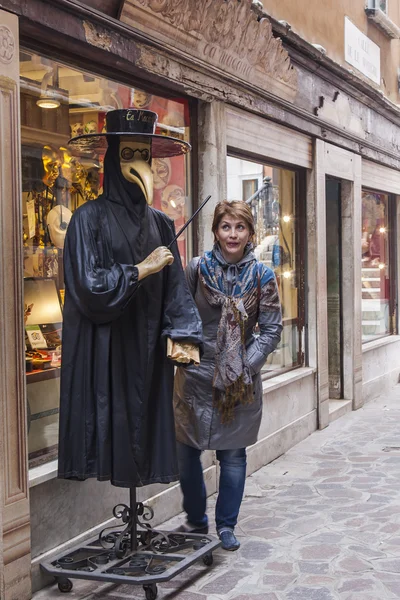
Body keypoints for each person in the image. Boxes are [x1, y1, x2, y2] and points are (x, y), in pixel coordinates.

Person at [58, 109, 202, 488]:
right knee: (114, 424)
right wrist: (141, 269)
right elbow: (88, 286)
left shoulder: (160, 223)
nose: (138, 164)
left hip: (151, 348)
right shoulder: (87, 220)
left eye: (144, 155)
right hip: (107, 349)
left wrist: (183, 333)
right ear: (112, 159)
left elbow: (177, 290)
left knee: (148, 426)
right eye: (128, 154)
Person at [173, 200, 282, 550]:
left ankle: (226, 525)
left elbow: (271, 328)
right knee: (186, 453)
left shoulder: (263, 275)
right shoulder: (196, 269)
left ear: (250, 233)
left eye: (240, 227)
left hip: (240, 380)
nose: (232, 234)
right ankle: (196, 519)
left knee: (233, 455)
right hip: (195, 375)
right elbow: (180, 315)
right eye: (226, 227)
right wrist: (188, 359)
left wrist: (243, 368)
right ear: (216, 232)